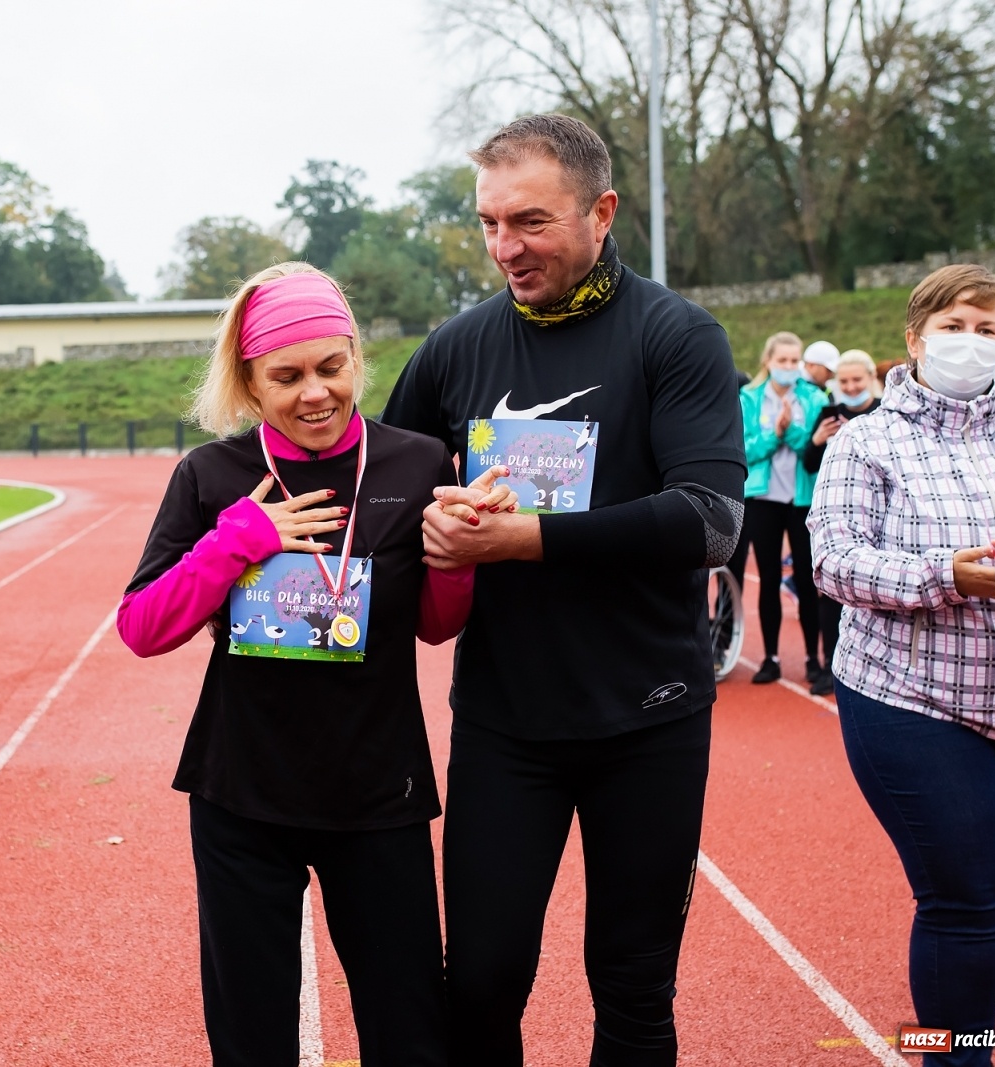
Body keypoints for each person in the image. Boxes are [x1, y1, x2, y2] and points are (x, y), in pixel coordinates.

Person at [381, 114, 745, 1065]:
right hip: (508, 723)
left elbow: (710, 520)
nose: (506, 247)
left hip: (649, 718)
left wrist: (523, 539)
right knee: (484, 983)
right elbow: (379, 493)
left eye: (531, 222)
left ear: (602, 211)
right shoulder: (455, 349)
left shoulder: (677, 336)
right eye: (491, 223)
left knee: (632, 987)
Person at [120, 264, 508, 1066]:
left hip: (378, 790)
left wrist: (457, 555)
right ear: (250, 382)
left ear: (356, 358)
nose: (315, 393)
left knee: (409, 1034)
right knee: (252, 1038)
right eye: (286, 376)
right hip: (243, 793)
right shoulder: (212, 474)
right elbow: (143, 626)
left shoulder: (418, 460)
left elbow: (436, 627)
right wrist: (237, 541)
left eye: (331, 367)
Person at [809, 264, 995, 1066]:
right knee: (969, 898)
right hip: (912, 700)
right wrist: (943, 574)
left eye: (989, 329)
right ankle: (956, 1056)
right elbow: (835, 561)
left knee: (993, 888)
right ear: (914, 337)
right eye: (956, 324)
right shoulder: (867, 441)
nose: (972, 342)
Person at [738, 332, 827, 685]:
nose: (788, 367)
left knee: (807, 581)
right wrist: (775, 434)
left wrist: (789, 432)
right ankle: (771, 658)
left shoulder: (814, 397)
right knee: (769, 578)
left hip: (802, 501)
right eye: (782, 361)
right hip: (763, 499)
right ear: (768, 362)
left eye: (794, 361)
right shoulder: (749, 398)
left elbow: (813, 448)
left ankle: (812, 658)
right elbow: (744, 450)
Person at [801, 349, 882, 695]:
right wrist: (818, 441)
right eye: (844, 381)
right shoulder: (826, 413)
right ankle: (830, 664)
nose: (850, 387)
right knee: (830, 592)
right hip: (835, 511)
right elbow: (808, 462)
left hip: (879, 513)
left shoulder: (885, 411)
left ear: (870, 380)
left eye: (857, 380)